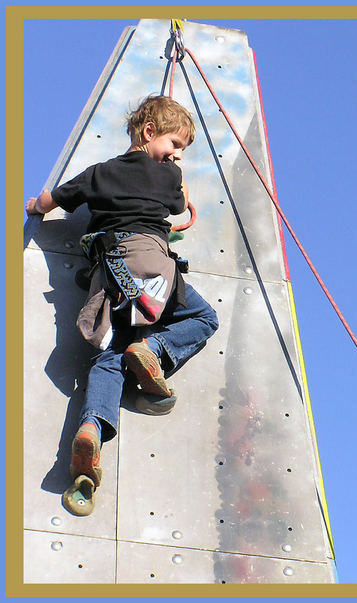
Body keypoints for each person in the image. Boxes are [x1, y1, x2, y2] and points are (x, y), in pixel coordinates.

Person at [27, 95, 219, 510]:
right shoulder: (167, 177)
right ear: (149, 134)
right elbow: (180, 206)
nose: (175, 158)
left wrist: (35, 206)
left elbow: (54, 199)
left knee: (111, 353)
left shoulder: (100, 173)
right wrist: (178, 179)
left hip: (108, 274)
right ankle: (153, 349)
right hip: (151, 264)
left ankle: (91, 431)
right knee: (203, 317)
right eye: (174, 147)